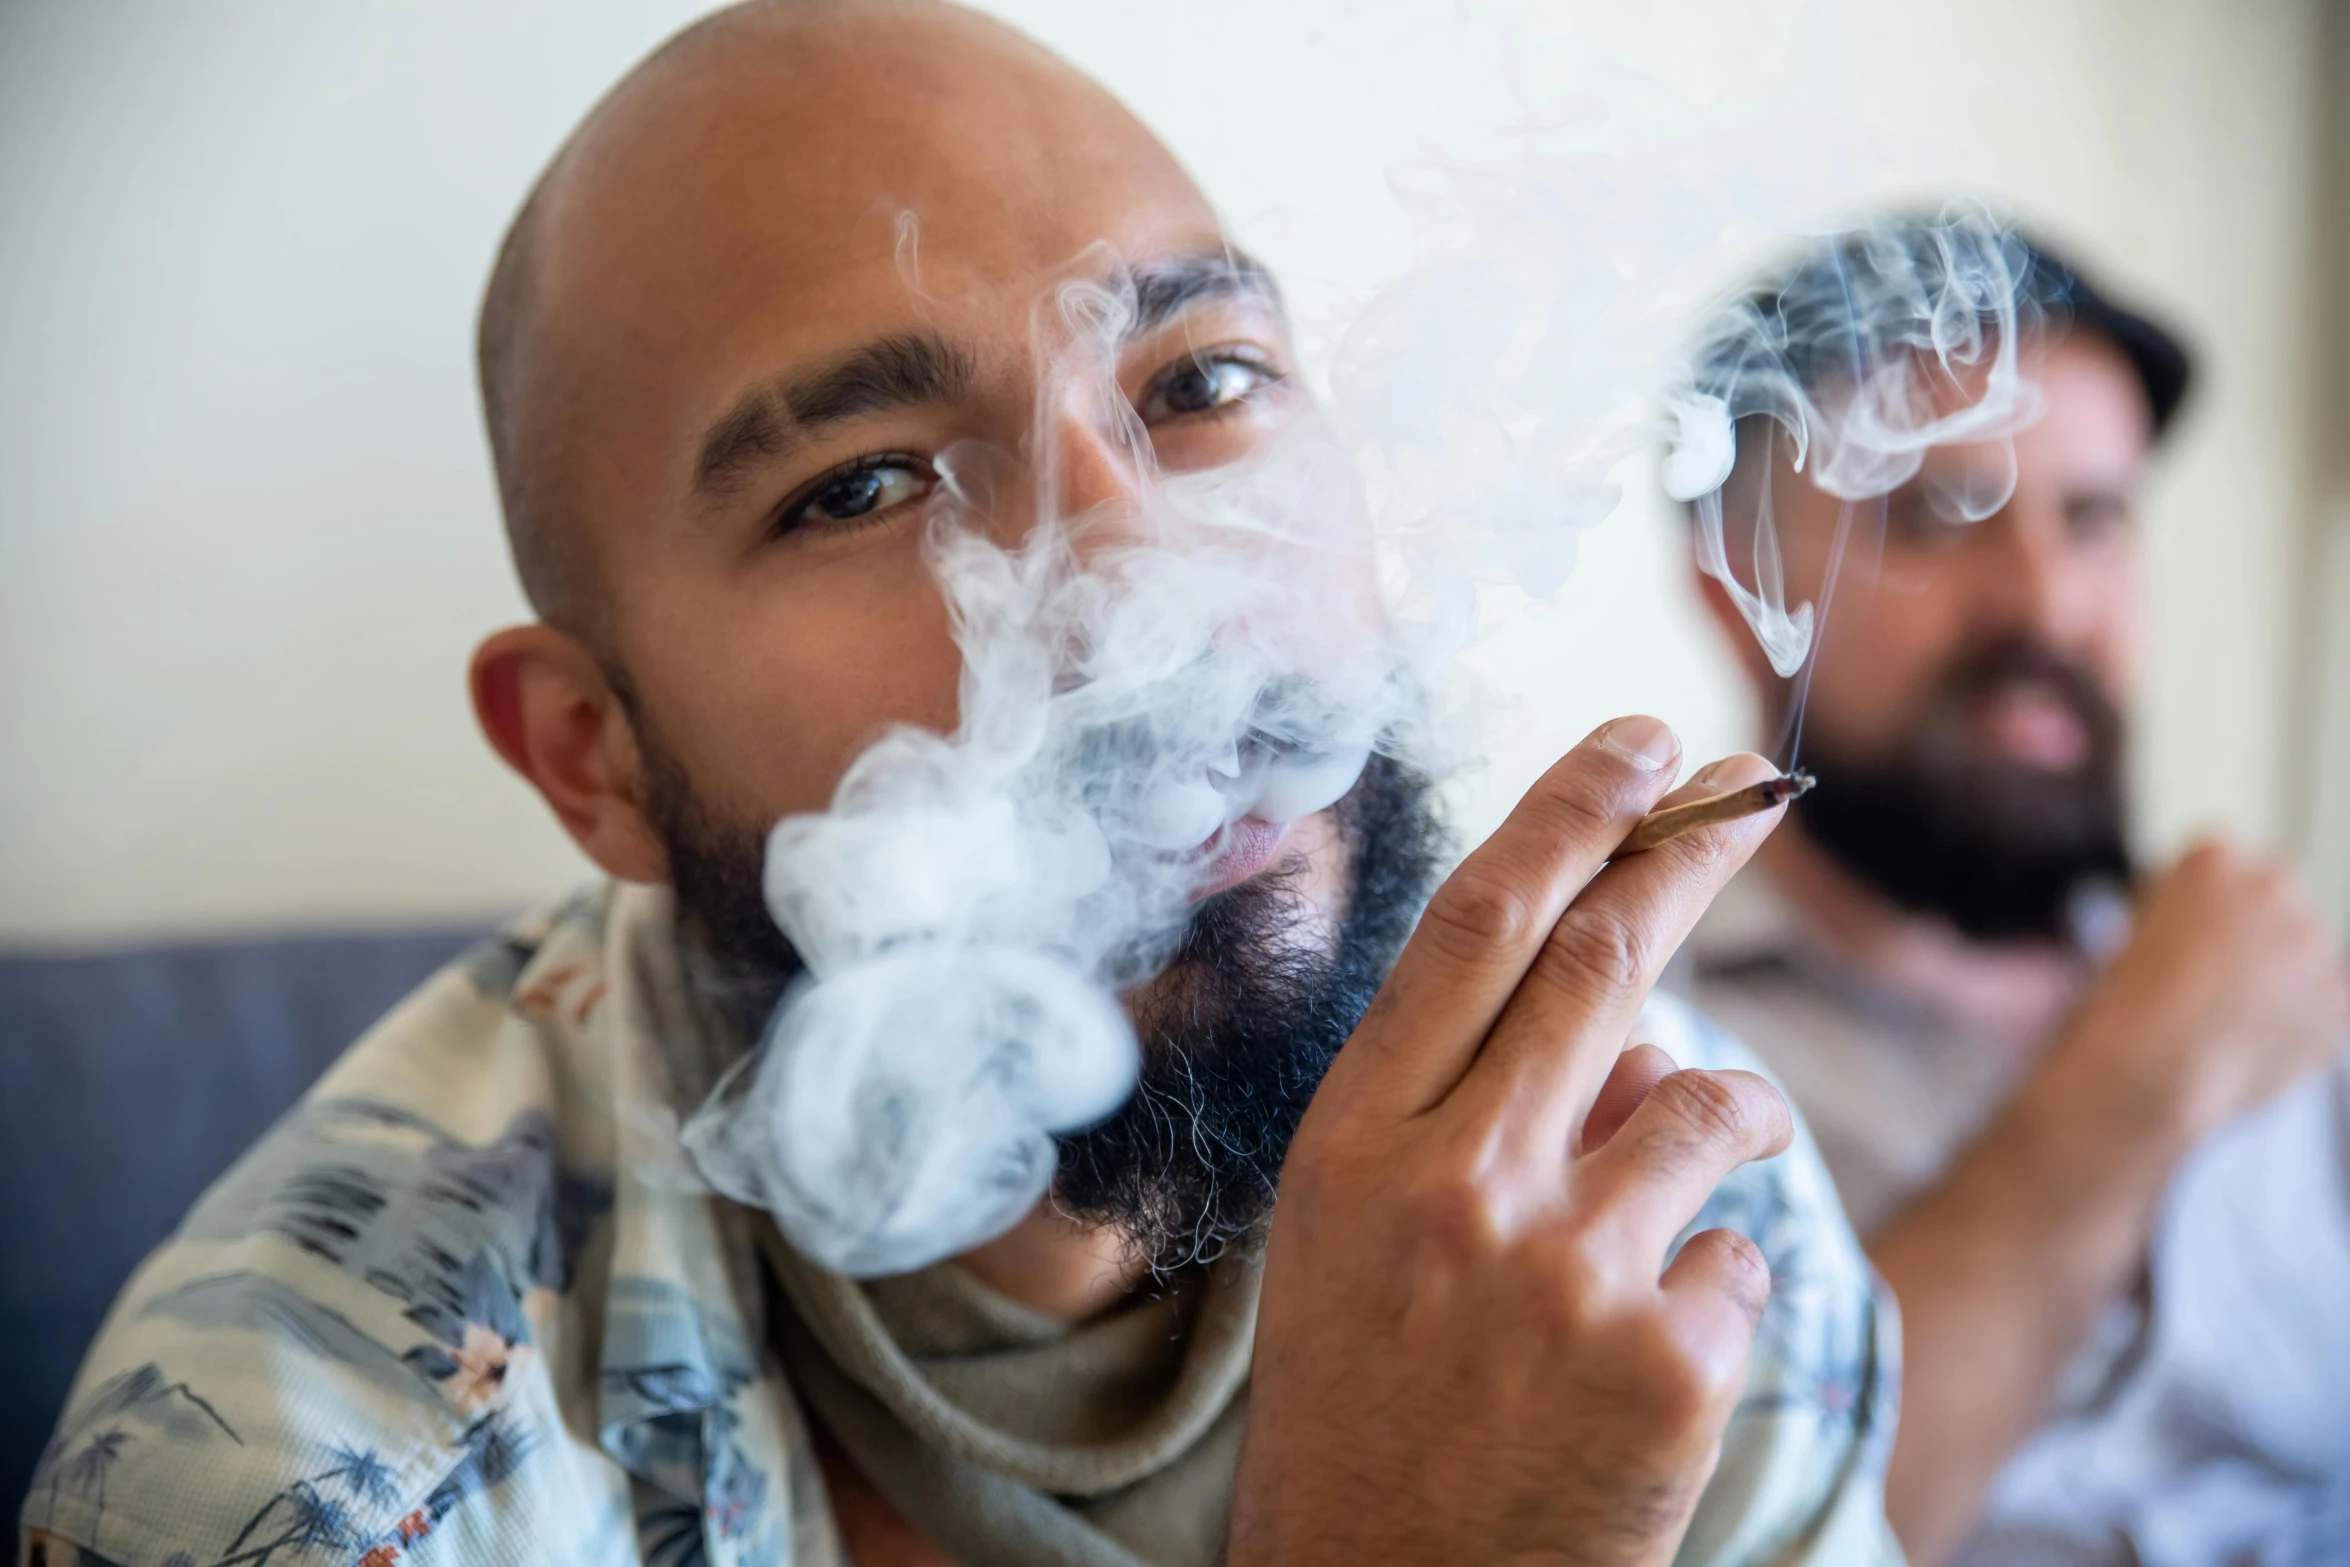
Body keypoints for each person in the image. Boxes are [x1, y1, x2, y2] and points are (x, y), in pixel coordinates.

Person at [19, 5, 1904, 1565]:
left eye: (1203, 381)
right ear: (590, 757)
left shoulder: (1639, 1198)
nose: (1146, 592)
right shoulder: (296, 1487)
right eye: (864, 483)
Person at [1675, 219, 2350, 1567]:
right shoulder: (1633, 1066)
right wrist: (2130, 1086)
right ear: (1739, 581)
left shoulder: (2284, 989)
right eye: (1937, 513)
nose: (2044, 603)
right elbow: (1727, 1539)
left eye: (2092, 519)